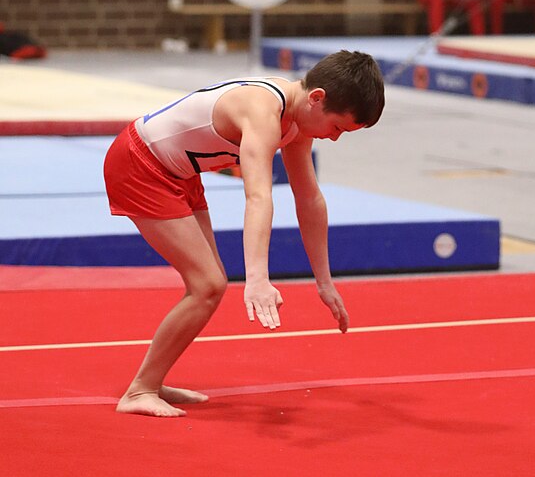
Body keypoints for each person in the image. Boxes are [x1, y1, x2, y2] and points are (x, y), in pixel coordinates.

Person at [103, 50, 385, 418]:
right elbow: (257, 196)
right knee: (208, 285)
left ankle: (150, 382)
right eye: (337, 128)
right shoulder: (262, 111)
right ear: (317, 98)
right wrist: (257, 279)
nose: (333, 139)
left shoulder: (298, 121)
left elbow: (309, 198)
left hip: (179, 173)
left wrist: (324, 281)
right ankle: (139, 391)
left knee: (207, 286)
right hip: (139, 165)